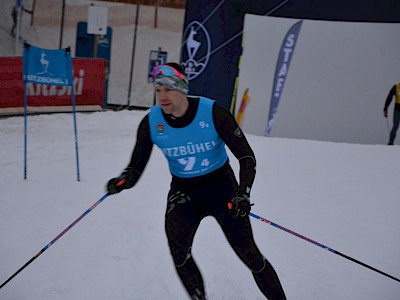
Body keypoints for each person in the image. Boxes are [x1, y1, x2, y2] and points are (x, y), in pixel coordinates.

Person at [106, 62, 286, 299]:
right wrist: (123, 181)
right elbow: (135, 168)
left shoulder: (212, 113)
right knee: (178, 252)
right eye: (158, 90)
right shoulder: (152, 122)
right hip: (184, 192)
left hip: (222, 188)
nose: (162, 96)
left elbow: (246, 157)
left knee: (249, 254)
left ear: (181, 88)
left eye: (168, 89)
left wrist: (243, 193)